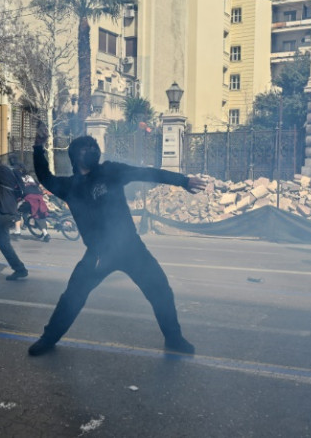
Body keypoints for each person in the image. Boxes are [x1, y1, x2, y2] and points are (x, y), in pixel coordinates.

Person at [28, 125, 207, 356]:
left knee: (161, 290)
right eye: (86, 148)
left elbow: (145, 172)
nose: (92, 150)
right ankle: (48, 339)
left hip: (130, 247)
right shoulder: (69, 187)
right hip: (98, 254)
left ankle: (174, 338)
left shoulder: (110, 171)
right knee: (73, 296)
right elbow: (45, 177)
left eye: (94, 146)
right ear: (75, 156)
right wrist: (38, 147)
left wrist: (182, 180)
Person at [17, 165, 51, 242]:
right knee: (40, 214)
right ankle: (45, 233)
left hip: (30, 197)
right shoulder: (31, 177)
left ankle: (18, 230)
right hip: (38, 196)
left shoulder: (18, 179)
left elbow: (17, 190)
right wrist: (43, 192)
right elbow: (40, 185)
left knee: (19, 210)